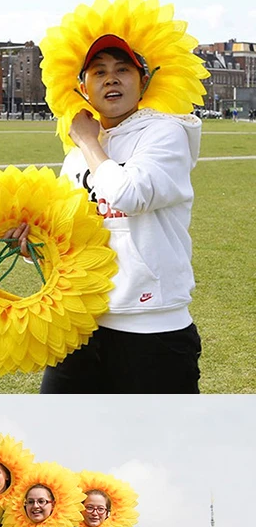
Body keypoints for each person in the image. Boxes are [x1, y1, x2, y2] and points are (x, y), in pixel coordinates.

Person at [40, 32, 203, 393]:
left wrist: (87, 141)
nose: (110, 78)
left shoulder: (165, 132)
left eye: (122, 69)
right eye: (98, 72)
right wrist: (33, 247)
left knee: (162, 445)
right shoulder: (76, 156)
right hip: (81, 323)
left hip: (151, 329)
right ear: (83, 88)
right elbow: (68, 233)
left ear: (144, 81)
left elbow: (130, 193)